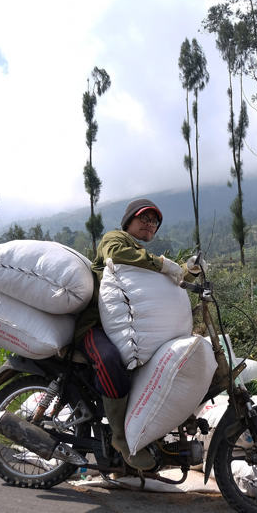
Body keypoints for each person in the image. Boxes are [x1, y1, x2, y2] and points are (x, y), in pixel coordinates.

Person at [73, 198, 203, 472]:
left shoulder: (142, 256)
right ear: (128, 220)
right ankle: (121, 439)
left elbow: (158, 290)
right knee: (109, 360)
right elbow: (117, 256)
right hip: (94, 328)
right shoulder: (114, 239)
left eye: (154, 221)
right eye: (144, 218)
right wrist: (162, 264)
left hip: (121, 330)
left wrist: (186, 274)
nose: (149, 224)